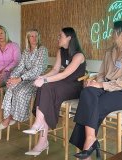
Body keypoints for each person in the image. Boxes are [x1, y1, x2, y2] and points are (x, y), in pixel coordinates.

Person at [69, 20, 122, 160]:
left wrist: (100, 85)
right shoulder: (110, 52)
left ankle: (86, 149)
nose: (111, 34)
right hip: (106, 87)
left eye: (114, 31)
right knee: (87, 92)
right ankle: (90, 140)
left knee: (94, 106)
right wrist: (94, 82)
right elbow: (102, 74)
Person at [23, 27, 86, 156]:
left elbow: (65, 74)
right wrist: (43, 77)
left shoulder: (79, 55)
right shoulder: (60, 51)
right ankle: (41, 131)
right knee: (44, 87)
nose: (58, 38)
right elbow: (56, 70)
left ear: (69, 37)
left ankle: (41, 132)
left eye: (60, 36)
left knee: (46, 86)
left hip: (74, 87)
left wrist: (45, 80)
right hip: (62, 85)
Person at [0, 29, 48, 130]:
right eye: (31, 36)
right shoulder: (25, 51)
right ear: (28, 39)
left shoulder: (42, 50)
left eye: (36, 36)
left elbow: (36, 70)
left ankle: (14, 117)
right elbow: (20, 67)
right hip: (24, 79)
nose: (34, 38)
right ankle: (8, 117)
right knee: (11, 88)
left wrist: (20, 79)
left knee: (21, 92)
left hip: (37, 80)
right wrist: (12, 79)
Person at [0, 25, 21, 102]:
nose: (0, 36)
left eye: (1, 33)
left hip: (9, 73)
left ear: (6, 33)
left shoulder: (14, 46)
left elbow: (17, 61)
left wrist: (5, 70)